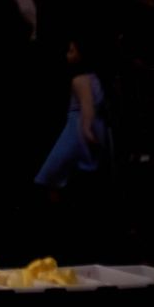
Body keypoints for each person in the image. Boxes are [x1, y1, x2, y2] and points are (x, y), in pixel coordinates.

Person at [35, 34, 110, 192]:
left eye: (71, 51)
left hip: (78, 129)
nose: (67, 54)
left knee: (51, 174)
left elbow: (87, 107)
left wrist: (87, 130)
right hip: (97, 127)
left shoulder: (79, 80)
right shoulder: (96, 78)